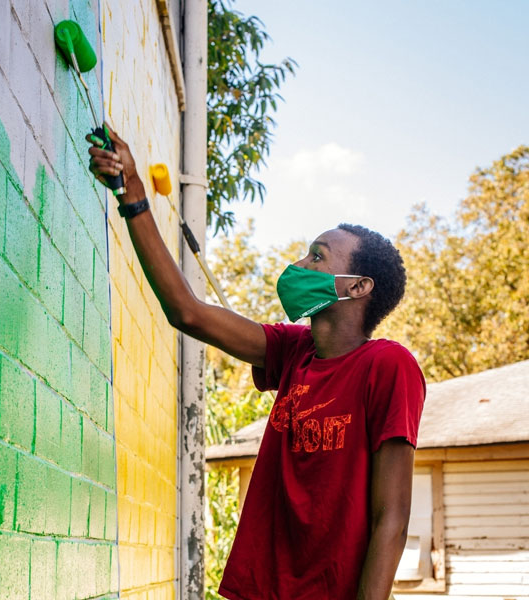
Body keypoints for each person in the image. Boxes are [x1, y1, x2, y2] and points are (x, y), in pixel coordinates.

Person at [87, 127, 425, 600]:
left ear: (357, 286)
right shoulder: (292, 350)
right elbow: (187, 312)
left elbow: (392, 516)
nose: (300, 262)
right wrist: (135, 198)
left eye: (317, 255)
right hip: (258, 590)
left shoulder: (388, 366)